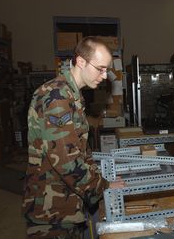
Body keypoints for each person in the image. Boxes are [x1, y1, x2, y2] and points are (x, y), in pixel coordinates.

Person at [22, 36, 124, 238]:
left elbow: (80, 149)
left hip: (67, 204)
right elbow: (67, 162)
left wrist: (100, 179)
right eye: (100, 69)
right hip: (51, 211)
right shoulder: (56, 97)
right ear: (81, 61)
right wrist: (103, 186)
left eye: (107, 70)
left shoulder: (72, 94)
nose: (104, 76)